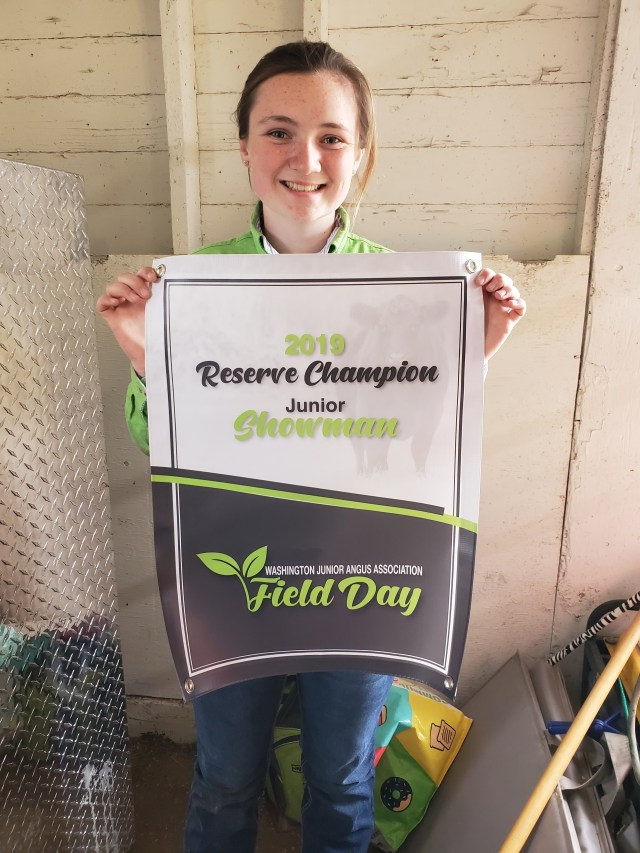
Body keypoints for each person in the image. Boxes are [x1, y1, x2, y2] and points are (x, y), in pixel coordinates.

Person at [97, 40, 525, 853]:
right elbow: (158, 442)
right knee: (225, 777)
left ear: (360, 154)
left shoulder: (406, 289)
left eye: (332, 136)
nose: (306, 158)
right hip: (232, 573)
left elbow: (419, 441)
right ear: (244, 147)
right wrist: (146, 357)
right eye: (279, 132)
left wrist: (479, 349)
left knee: (343, 776)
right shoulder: (193, 283)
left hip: (363, 575)